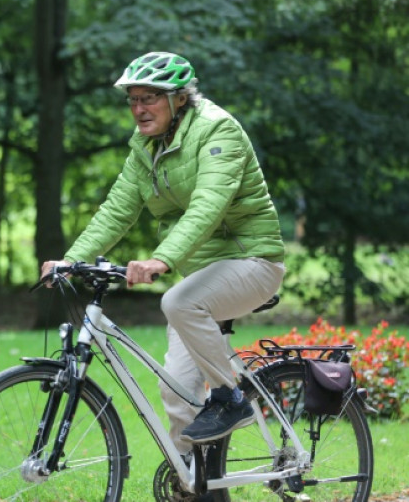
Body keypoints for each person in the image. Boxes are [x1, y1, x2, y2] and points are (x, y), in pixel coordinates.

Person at [42, 51, 285, 459]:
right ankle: (195, 481)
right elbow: (117, 210)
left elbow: (208, 205)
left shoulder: (217, 130)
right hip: (200, 276)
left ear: (179, 98)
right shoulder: (145, 146)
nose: (138, 109)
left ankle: (231, 398)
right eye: (132, 100)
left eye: (149, 98)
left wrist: (161, 259)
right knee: (176, 388)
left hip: (253, 262)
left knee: (177, 301)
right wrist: (71, 259)